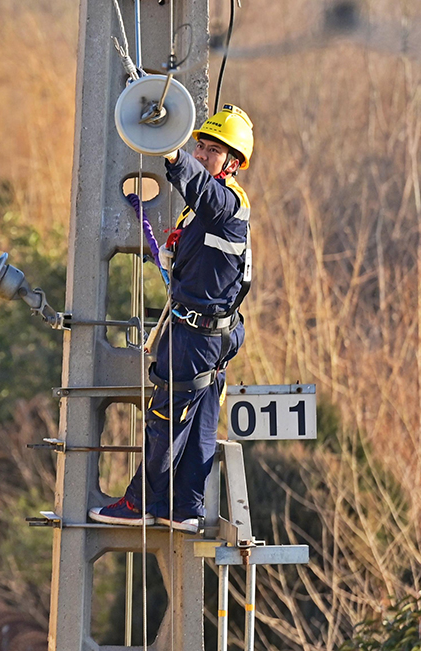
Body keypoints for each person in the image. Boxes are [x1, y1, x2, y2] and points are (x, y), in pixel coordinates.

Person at [89, 104, 254, 533]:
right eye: (200, 146)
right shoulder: (208, 209)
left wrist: (174, 152)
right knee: (199, 422)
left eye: (212, 150)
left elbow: (201, 189)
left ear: (233, 163)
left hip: (198, 336)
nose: (202, 154)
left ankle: (141, 503)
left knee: (166, 417)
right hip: (213, 332)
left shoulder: (225, 202)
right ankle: (185, 508)